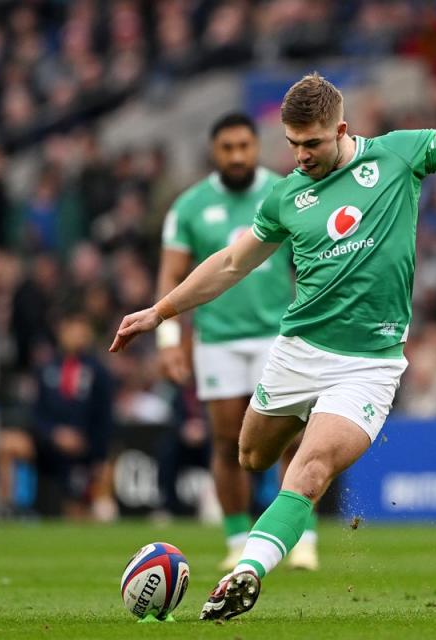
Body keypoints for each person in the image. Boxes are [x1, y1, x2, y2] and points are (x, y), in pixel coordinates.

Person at [111, 40, 436, 620]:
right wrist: (162, 312)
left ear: (342, 129)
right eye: (292, 144)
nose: (301, 155)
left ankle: (247, 572)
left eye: (312, 143)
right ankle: (302, 436)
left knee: (308, 472)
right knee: (252, 455)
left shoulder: (398, 157)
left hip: (368, 365)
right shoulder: (286, 196)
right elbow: (232, 263)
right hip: (298, 350)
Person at [156, 112, 318, 570]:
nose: (237, 156)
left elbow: (305, 267)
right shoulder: (188, 207)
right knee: (228, 443)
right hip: (218, 341)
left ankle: (302, 539)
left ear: (257, 146)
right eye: (228, 148)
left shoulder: (287, 191)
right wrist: (169, 340)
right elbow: (170, 277)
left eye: (244, 146)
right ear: (215, 151)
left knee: (291, 439)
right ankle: (235, 540)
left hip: (279, 336)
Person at [0, 310, 116, 520]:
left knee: (79, 514)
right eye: (72, 328)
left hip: (82, 450)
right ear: (62, 331)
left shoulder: (99, 372)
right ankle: (11, 511)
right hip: (49, 445)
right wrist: (54, 435)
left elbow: (105, 418)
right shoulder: (46, 368)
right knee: (6, 443)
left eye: (81, 328)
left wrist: (96, 452)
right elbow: (36, 413)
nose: (77, 334)